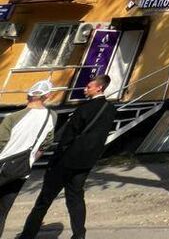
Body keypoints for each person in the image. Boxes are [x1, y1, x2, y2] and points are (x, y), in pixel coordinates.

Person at [17, 74, 117, 239]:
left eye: (89, 87)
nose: (85, 89)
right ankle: (79, 235)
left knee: (44, 200)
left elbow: (67, 138)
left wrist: (53, 160)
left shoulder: (84, 109)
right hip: (86, 162)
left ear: (99, 88)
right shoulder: (110, 109)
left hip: (65, 161)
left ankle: (27, 235)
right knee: (76, 198)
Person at [0, 81, 57, 235]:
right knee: (3, 211)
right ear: (47, 96)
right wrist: (31, 159)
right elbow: (46, 144)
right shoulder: (51, 116)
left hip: (2, 166)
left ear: (28, 95)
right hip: (22, 169)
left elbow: (1, 142)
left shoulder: (13, 117)